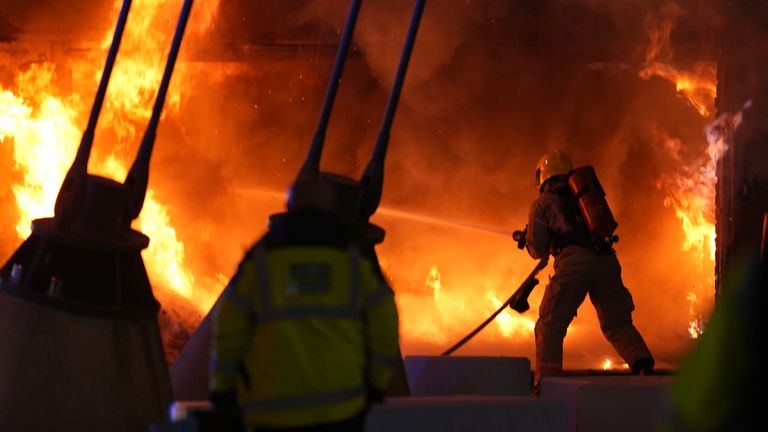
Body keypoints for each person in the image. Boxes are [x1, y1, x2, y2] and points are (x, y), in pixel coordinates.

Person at [209, 176, 400, 431]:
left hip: (272, 412)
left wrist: (221, 390)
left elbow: (228, 328)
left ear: (289, 207)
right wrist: (377, 385)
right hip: (340, 410)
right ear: (329, 208)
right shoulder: (354, 263)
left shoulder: (261, 262)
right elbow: (384, 323)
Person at [523, 149, 654, 391]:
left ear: (543, 175)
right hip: (606, 260)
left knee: (549, 325)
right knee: (617, 322)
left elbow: (537, 249)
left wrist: (527, 238)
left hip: (575, 265)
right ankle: (642, 364)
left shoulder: (543, 202)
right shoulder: (584, 195)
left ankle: (547, 386)